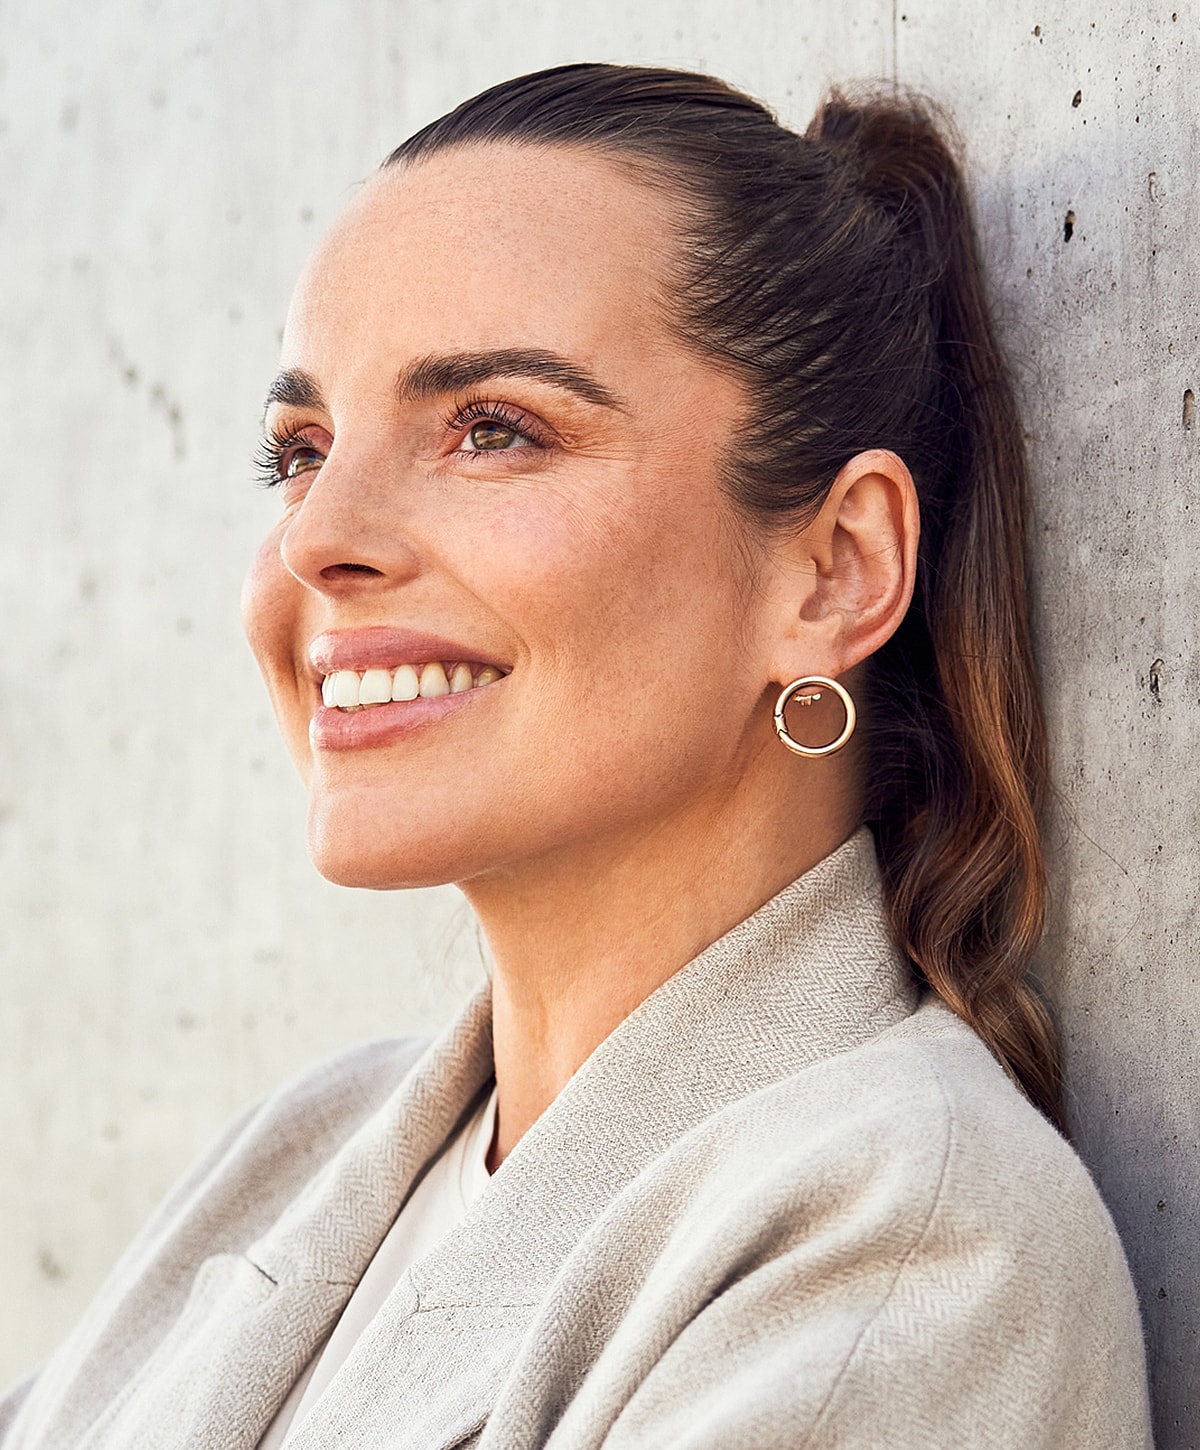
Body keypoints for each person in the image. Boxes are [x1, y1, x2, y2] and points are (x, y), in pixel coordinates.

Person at [1, 63, 1151, 1449]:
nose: (318, 537)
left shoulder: (904, 1247)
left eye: (492, 427)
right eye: (299, 449)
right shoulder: (302, 1154)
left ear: (837, 571)